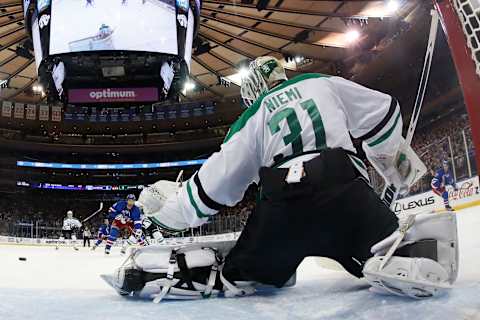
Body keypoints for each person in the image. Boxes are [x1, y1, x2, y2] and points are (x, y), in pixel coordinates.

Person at [112, 56, 458, 300]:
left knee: (237, 276)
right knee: (387, 252)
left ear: (254, 88)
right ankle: (408, 254)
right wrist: (390, 161)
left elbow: (212, 188)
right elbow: (384, 113)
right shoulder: (322, 83)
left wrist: (173, 214)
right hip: (346, 190)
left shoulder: (253, 115)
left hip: (284, 205)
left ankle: (224, 272)